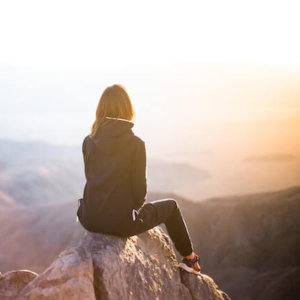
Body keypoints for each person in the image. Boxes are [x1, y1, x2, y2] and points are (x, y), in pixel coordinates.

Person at [77, 84, 201, 274]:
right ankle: (190, 259)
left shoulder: (88, 140)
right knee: (172, 207)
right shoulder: (135, 144)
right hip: (121, 224)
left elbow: (91, 178)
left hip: (89, 218)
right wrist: (132, 211)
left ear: (100, 110)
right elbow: (139, 193)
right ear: (128, 109)